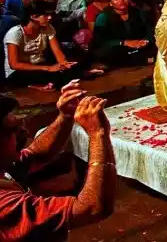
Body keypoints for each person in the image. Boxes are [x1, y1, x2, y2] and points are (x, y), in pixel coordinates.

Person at [0, 88, 117, 239]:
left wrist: (66, 116)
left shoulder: (4, 166)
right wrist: (98, 134)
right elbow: (91, 207)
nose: (24, 132)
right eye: (13, 130)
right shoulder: (4, 205)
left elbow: (36, 154)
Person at [3, 1, 80, 87]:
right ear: (33, 16)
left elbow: (57, 50)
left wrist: (64, 64)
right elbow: (14, 64)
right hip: (19, 72)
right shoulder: (15, 33)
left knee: (72, 70)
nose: (50, 17)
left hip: (40, 67)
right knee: (52, 77)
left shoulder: (48, 28)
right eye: (46, 15)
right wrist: (47, 68)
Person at [92, 0, 155, 67]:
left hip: (138, 46)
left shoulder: (138, 12)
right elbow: (100, 41)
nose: (121, 0)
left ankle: (141, 60)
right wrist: (124, 42)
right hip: (119, 47)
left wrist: (145, 41)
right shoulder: (103, 17)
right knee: (107, 53)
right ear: (111, 3)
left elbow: (149, 31)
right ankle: (145, 60)